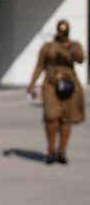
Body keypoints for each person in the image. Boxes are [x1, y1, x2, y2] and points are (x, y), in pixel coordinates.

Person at [27, 20, 85, 165]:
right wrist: (32, 84)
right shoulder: (47, 47)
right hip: (51, 84)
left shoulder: (74, 45)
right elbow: (39, 66)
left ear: (68, 31)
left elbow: (80, 59)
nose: (62, 33)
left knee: (66, 119)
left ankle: (62, 152)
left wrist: (71, 49)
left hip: (70, 83)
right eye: (60, 30)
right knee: (51, 118)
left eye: (65, 31)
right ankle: (50, 151)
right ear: (56, 30)